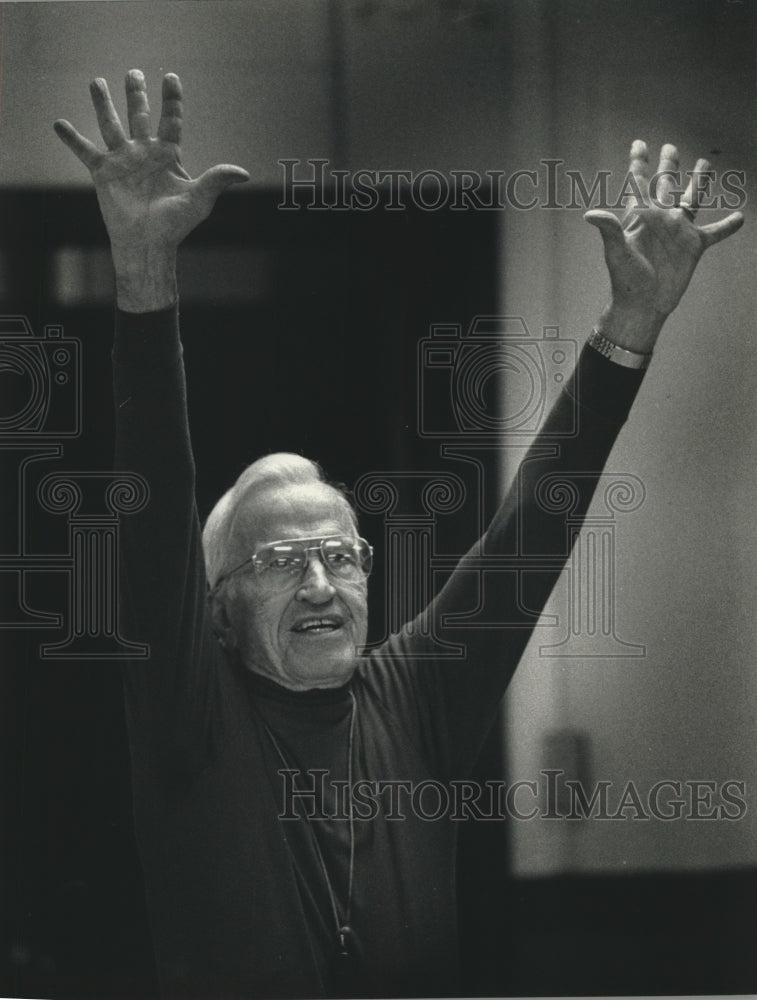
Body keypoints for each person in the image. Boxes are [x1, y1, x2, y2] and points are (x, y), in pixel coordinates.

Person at [54, 71, 743, 999]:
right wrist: (143, 272)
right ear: (214, 616)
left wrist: (630, 323)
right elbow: (151, 515)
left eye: (340, 556)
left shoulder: (415, 697)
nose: (320, 586)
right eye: (279, 563)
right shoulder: (191, 716)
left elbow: (528, 534)